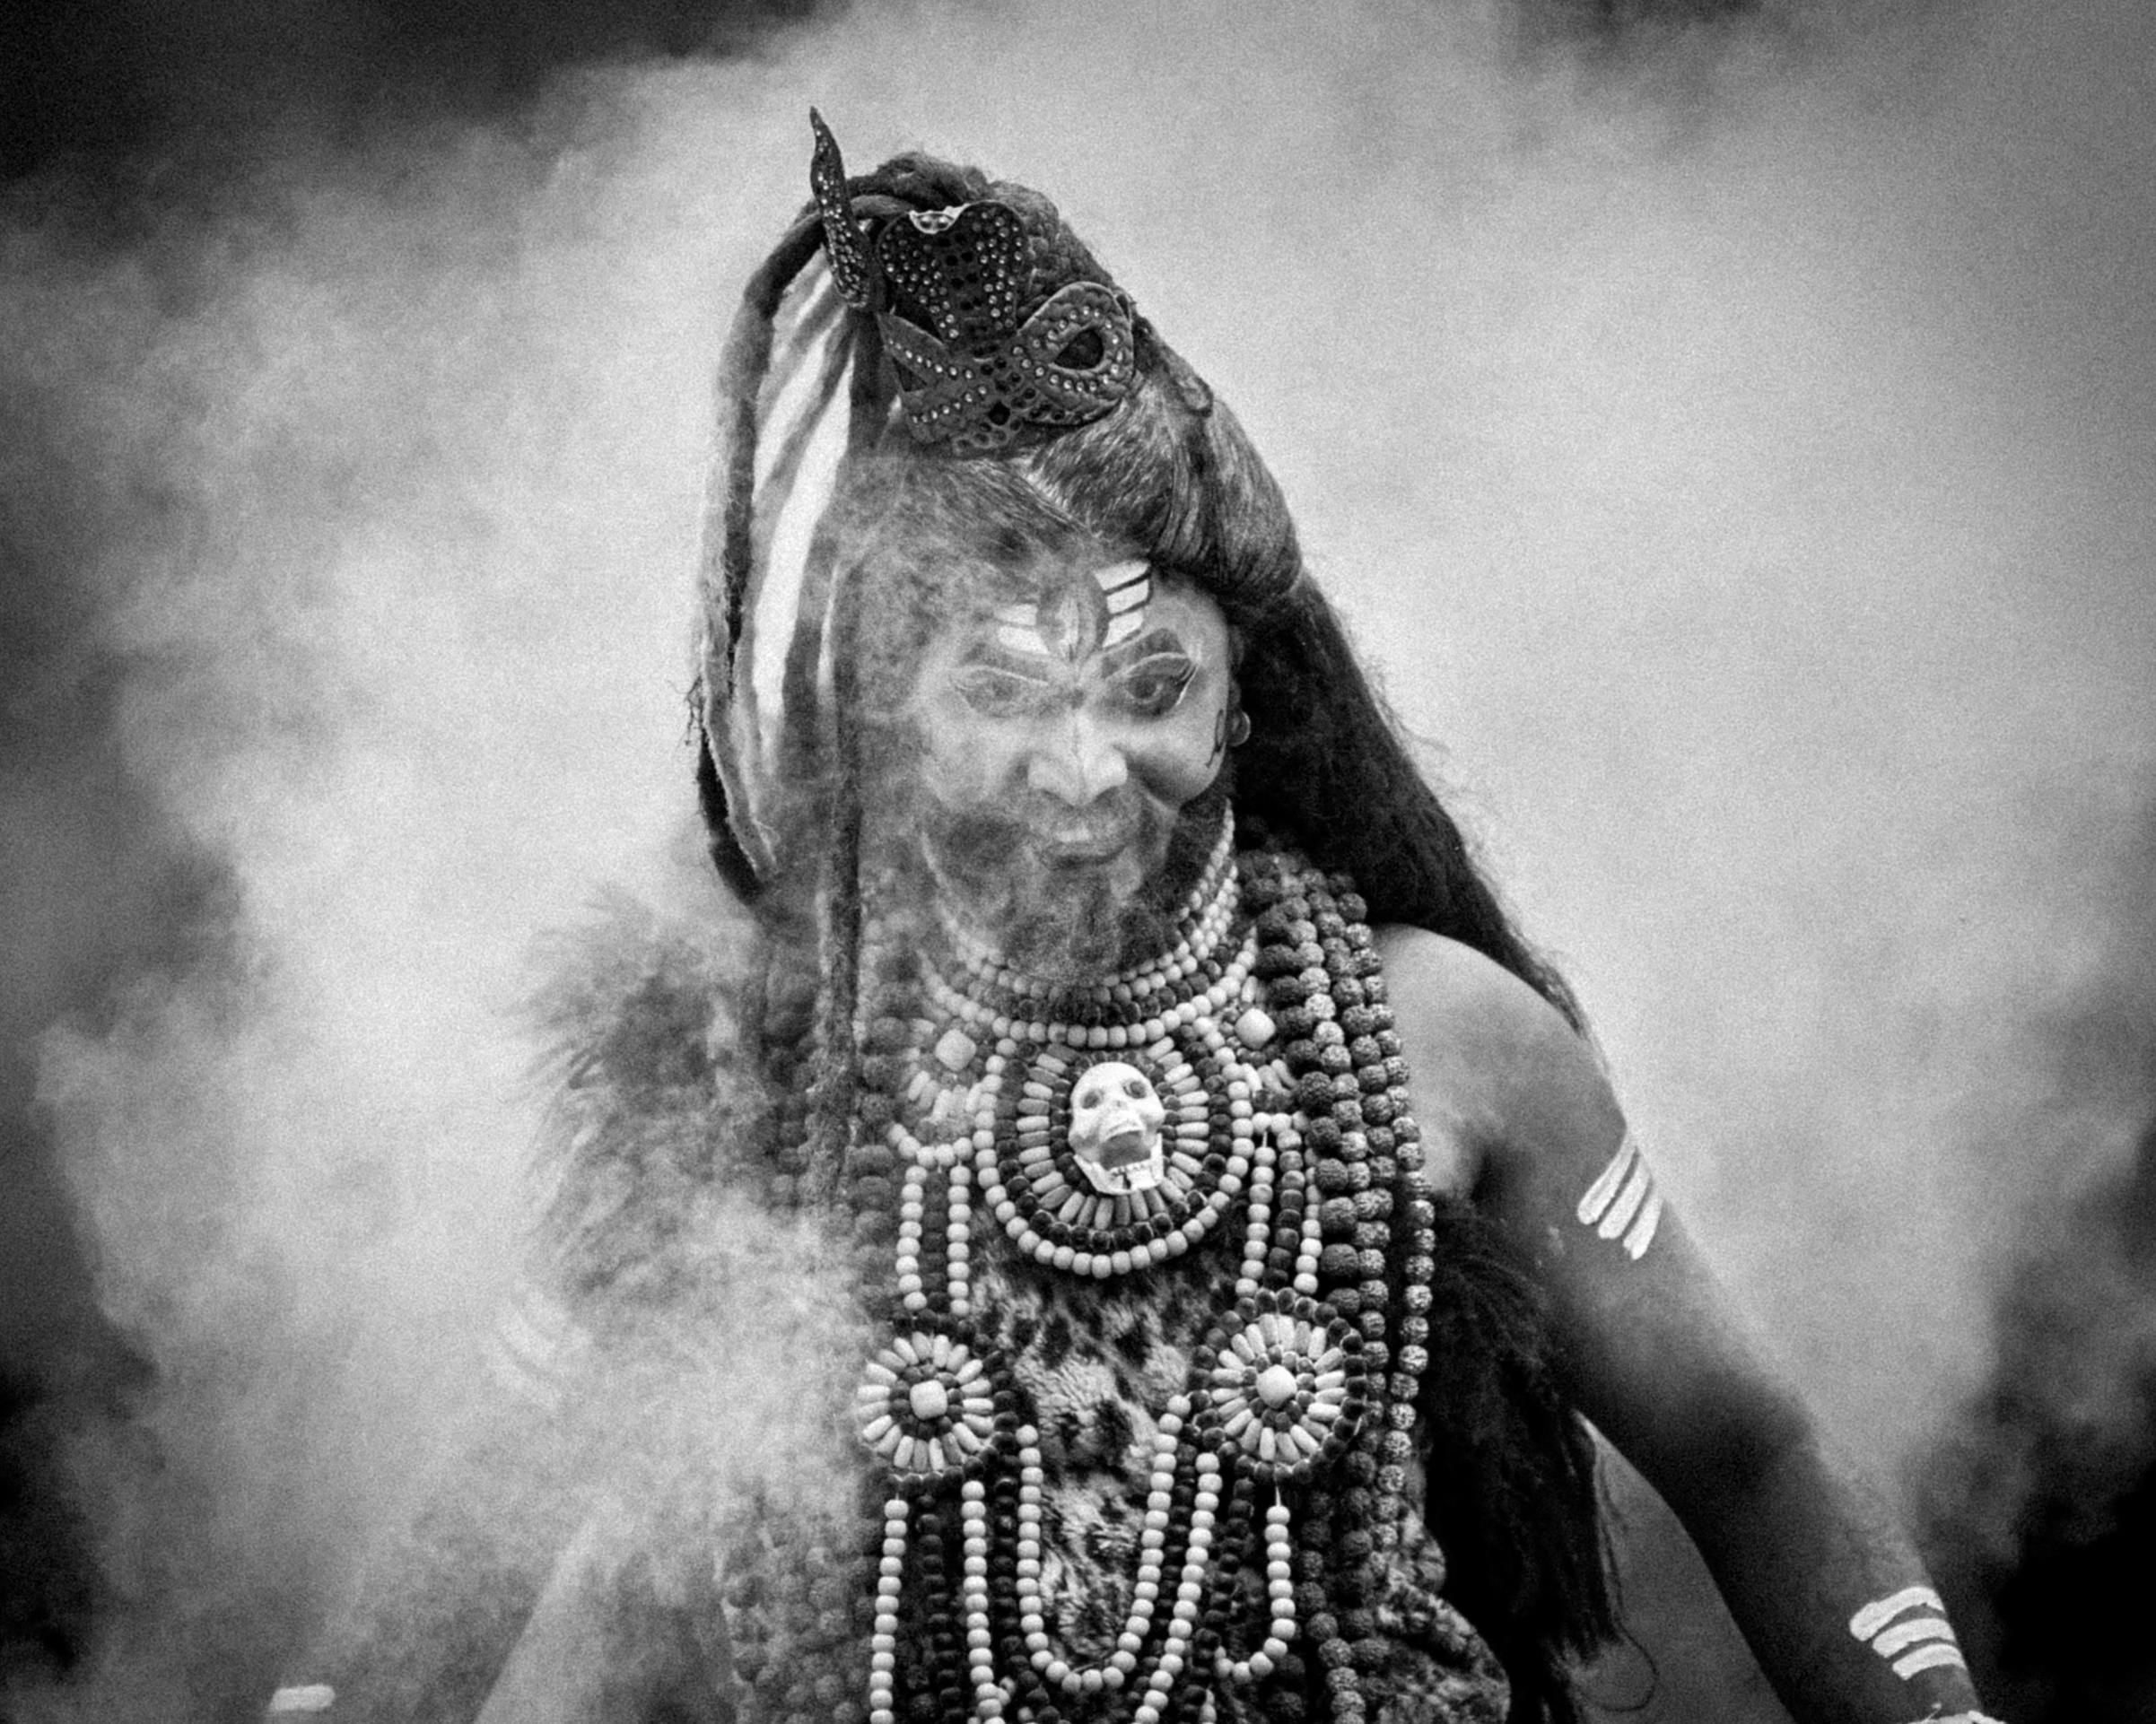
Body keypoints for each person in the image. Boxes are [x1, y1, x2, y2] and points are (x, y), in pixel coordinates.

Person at [267, 118, 1999, 1724]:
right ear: (889, 712)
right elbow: (497, 1510)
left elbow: (1751, 1451)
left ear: (1248, 691)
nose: (1085, 771)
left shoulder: (1450, 1043)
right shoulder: (748, 1065)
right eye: (1003, 689)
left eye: (1149, 684)